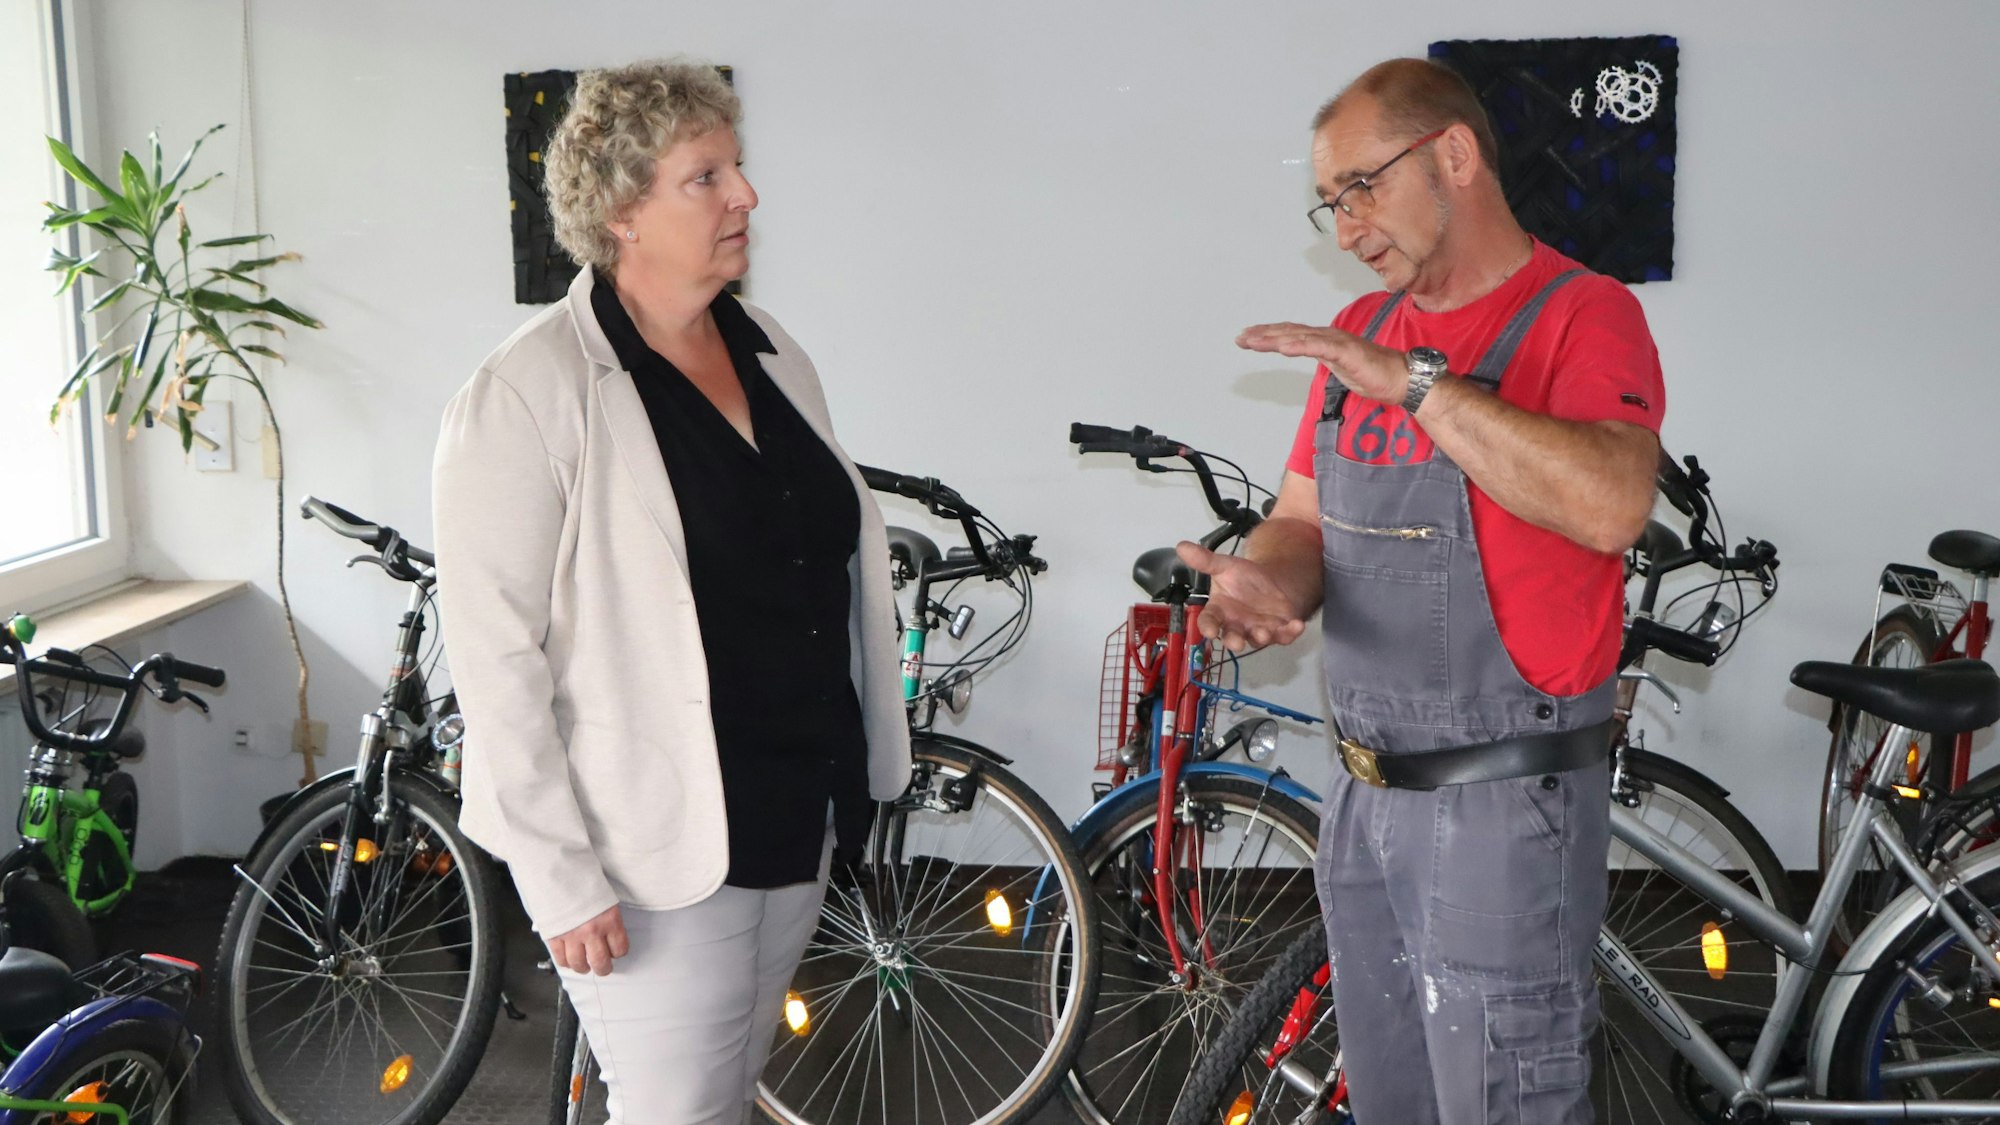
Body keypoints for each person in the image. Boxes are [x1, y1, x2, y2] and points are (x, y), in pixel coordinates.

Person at [1177, 58, 1664, 1123]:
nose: (1344, 227)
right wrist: (1266, 583)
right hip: (1362, 803)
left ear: (1451, 153)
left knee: (1504, 1097)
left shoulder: (1582, 315)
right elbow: (1301, 520)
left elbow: (1611, 503)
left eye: (1361, 186)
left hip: (1502, 806)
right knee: (1392, 1096)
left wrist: (1420, 385)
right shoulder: (1361, 329)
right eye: (1329, 202)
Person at [432, 59, 909, 1125]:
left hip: (792, 816)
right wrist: (560, 881)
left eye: (735, 169)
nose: (745, 197)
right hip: (646, 853)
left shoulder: (773, 351)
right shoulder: (527, 392)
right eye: (707, 177)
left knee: (726, 1098)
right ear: (620, 211)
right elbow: (495, 661)